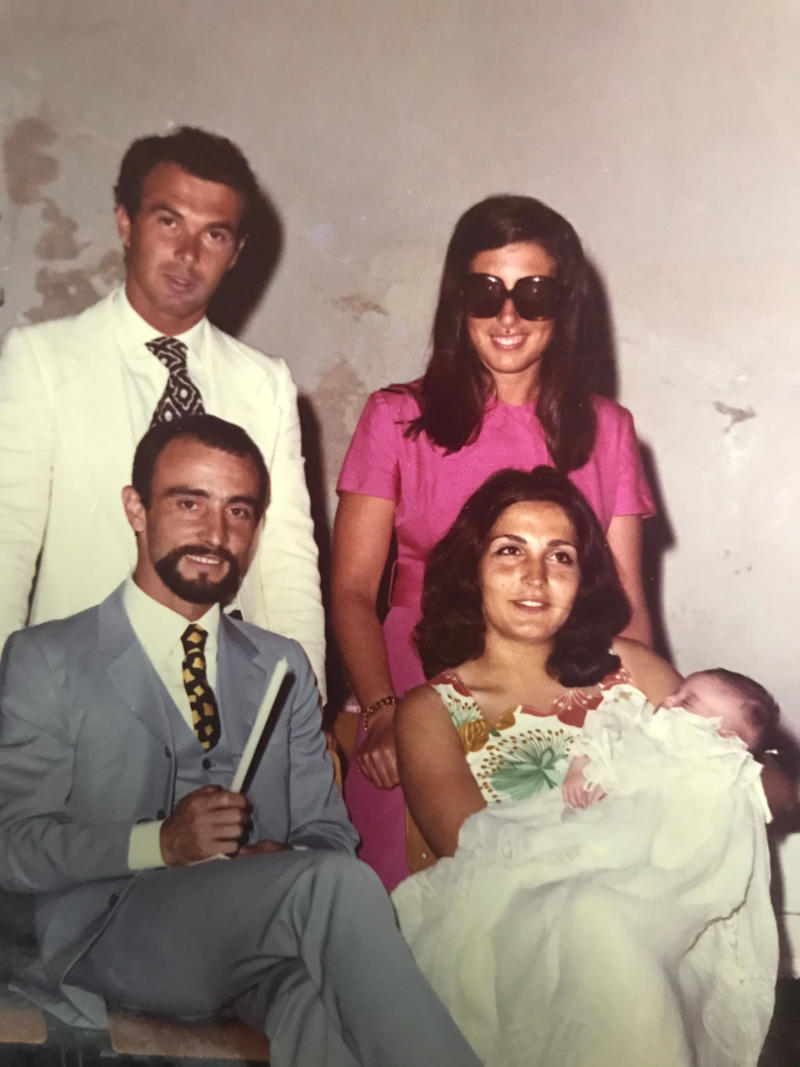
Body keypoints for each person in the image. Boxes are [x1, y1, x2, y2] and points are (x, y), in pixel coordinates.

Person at [0, 415, 481, 1067]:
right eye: (189, 503)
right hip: (107, 936)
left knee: (319, 1005)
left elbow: (328, 835)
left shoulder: (282, 665)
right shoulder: (47, 657)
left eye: (239, 510)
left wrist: (281, 859)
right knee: (327, 887)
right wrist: (161, 842)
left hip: (255, 939)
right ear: (136, 508)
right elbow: (12, 846)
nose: (216, 533)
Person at [392, 468, 778, 1066]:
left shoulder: (629, 666)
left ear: (583, 577)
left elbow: (733, 759)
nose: (535, 577)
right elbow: (473, 852)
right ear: (471, 567)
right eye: (510, 550)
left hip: (658, 909)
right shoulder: (432, 709)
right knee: (596, 926)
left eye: (561, 556)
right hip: (525, 930)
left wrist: (741, 779)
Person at [332, 194, 656, 888]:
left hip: (558, 681)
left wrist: (637, 730)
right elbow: (353, 590)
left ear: (564, 306)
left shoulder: (608, 428)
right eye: (486, 292)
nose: (508, 317)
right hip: (412, 674)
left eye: (533, 294)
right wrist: (382, 709)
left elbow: (628, 609)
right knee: (400, 890)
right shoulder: (396, 417)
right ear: (459, 300)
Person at [0, 125, 325, 694]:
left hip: (226, 695)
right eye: (169, 222)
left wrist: (302, 704)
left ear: (236, 252)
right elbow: (7, 543)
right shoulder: (42, 360)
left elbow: (287, 562)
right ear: (126, 222)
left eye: (214, 234)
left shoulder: (265, 384)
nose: (188, 254)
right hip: (81, 693)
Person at [563, 666, 781, 807]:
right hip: (592, 811)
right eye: (677, 692)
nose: (668, 699)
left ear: (724, 737)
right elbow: (602, 728)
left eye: (686, 701)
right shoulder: (645, 722)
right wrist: (580, 766)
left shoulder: (717, 772)